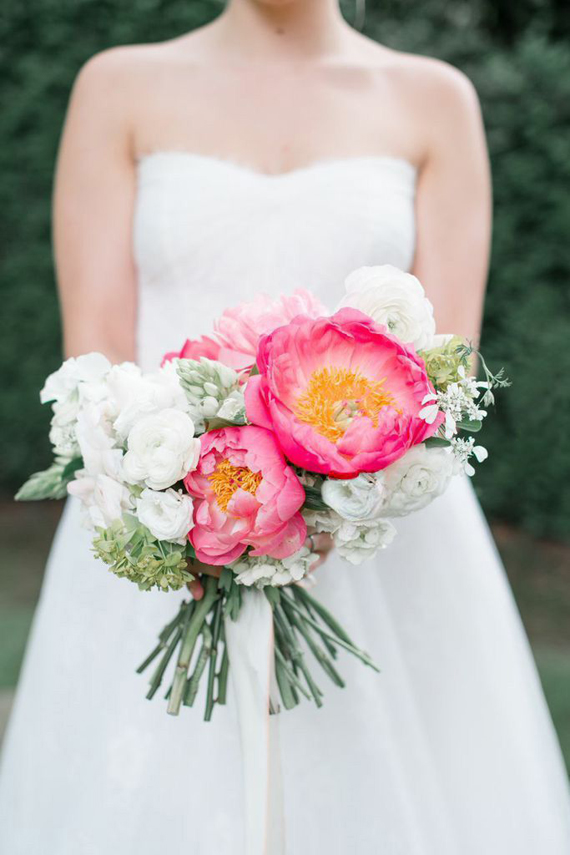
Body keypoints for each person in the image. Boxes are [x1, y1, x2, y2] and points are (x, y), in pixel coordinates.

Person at [1, 1, 569, 852]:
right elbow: (98, 357)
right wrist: (189, 506)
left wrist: (328, 503)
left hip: (381, 533)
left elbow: (444, 365)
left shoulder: (434, 99)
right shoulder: (118, 87)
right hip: (170, 520)